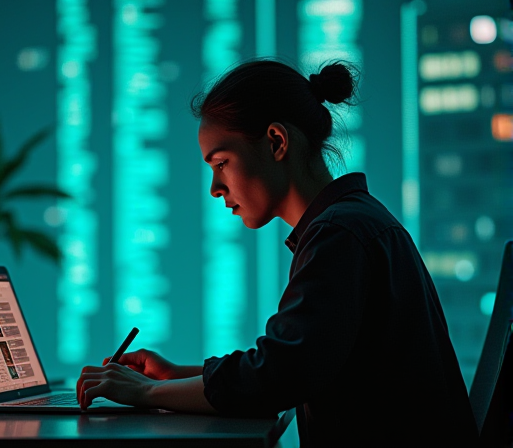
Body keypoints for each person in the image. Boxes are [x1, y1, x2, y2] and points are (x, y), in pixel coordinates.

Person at [76, 59, 479, 447]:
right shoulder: (351, 223)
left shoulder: (339, 234)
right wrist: (176, 377)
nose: (215, 188)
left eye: (221, 162)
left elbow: (278, 375)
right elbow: (292, 361)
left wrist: (146, 394)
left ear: (276, 141)